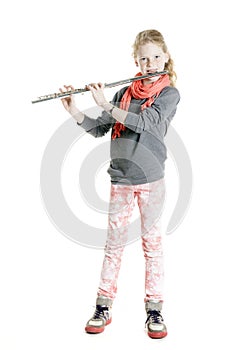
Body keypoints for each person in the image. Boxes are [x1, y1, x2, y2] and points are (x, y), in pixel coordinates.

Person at [60, 29, 180, 339]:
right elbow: (100, 128)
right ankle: (103, 306)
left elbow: (148, 123)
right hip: (121, 178)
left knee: (152, 247)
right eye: (144, 58)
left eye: (155, 56)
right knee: (113, 246)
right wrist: (74, 109)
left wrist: (108, 105)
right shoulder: (125, 93)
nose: (150, 63)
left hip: (151, 180)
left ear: (165, 57)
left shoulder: (169, 94)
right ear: (136, 61)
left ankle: (155, 310)